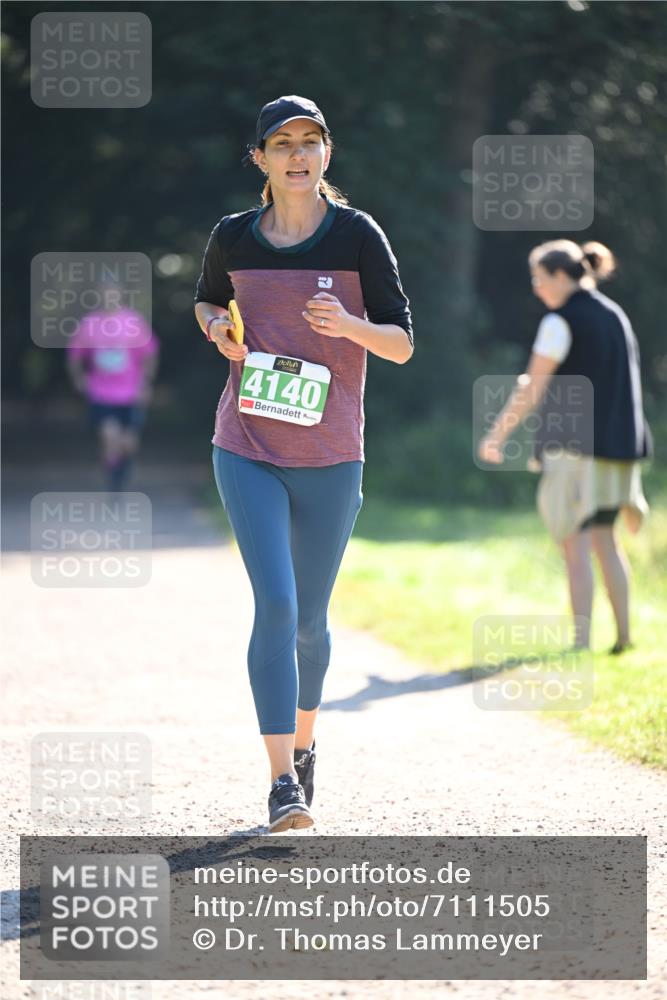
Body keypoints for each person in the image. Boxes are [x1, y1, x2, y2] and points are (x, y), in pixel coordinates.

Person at [194, 95, 413, 832]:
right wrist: (219, 326)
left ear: (327, 154)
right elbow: (205, 303)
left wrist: (351, 326)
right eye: (280, 143)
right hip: (246, 445)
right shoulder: (232, 236)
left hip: (329, 454)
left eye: (309, 142)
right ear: (258, 158)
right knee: (278, 608)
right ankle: (281, 781)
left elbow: (402, 345)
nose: (296, 154)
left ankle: (307, 742)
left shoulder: (356, 236)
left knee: (312, 625)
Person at [478, 240, 651, 653]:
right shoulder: (615, 315)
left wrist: (497, 435)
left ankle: (580, 643)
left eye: (539, 279)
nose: (536, 288)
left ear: (560, 276)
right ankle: (624, 638)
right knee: (605, 542)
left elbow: (533, 386)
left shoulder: (560, 321)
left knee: (574, 544)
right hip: (620, 450)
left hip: (574, 450)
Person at [67, 286, 159, 492]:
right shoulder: (90, 324)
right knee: (110, 436)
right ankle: (112, 480)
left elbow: (150, 354)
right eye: (104, 294)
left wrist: (146, 383)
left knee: (129, 443)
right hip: (101, 392)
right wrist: (79, 378)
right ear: (98, 296)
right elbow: (75, 354)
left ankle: (122, 470)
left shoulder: (133, 322)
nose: (109, 298)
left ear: (120, 295)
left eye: (113, 294)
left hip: (131, 392)